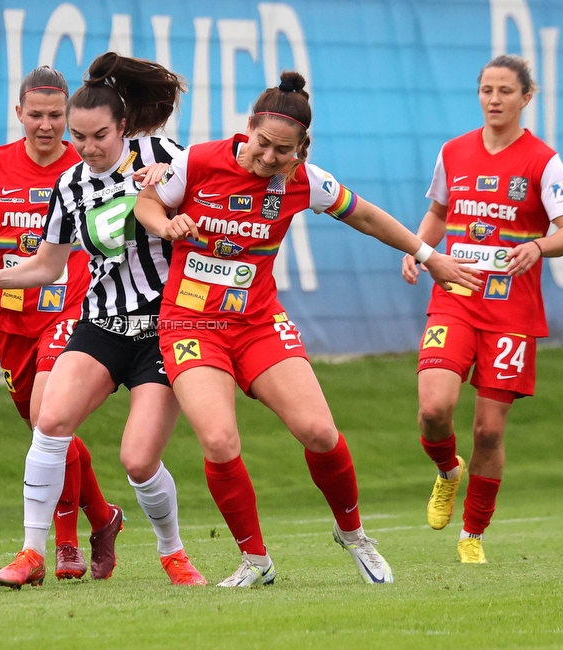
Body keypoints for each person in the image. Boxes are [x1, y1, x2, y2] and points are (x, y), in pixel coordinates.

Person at [133, 70, 482, 587]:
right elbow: (147, 204)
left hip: (257, 323)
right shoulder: (196, 161)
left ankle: (354, 534)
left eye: (283, 150)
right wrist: (167, 224)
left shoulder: (304, 180)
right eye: (263, 143)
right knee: (220, 440)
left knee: (320, 432)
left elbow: (366, 216)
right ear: (248, 127)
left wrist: (428, 255)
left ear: (302, 148)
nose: (269, 157)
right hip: (191, 324)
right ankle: (256, 560)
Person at [0, 53, 207, 587]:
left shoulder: (163, 155)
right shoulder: (70, 185)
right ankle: (32, 553)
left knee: (138, 462)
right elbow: (48, 265)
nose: (86, 148)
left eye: (98, 136)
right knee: (50, 423)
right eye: (81, 137)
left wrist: (173, 184)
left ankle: (173, 552)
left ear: (125, 127)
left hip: (164, 327)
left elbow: (217, 191)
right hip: (103, 322)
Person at [0, 66, 120, 582]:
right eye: (35, 115)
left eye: (55, 115)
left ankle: (59, 548)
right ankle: (103, 519)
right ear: (18, 113)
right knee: (46, 430)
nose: (46, 125)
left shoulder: (86, 166)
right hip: (11, 319)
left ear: (68, 116)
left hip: (70, 310)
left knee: (48, 422)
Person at [401, 55, 563, 564]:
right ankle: (446, 471)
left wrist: (539, 247)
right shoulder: (454, 151)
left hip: (511, 312)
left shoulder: (542, 161)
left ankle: (473, 535)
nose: (495, 99)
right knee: (433, 408)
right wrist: (419, 250)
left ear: (528, 97)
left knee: (488, 430)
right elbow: (439, 212)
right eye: (487, 90)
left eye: (506, 90)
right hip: (455, 297)